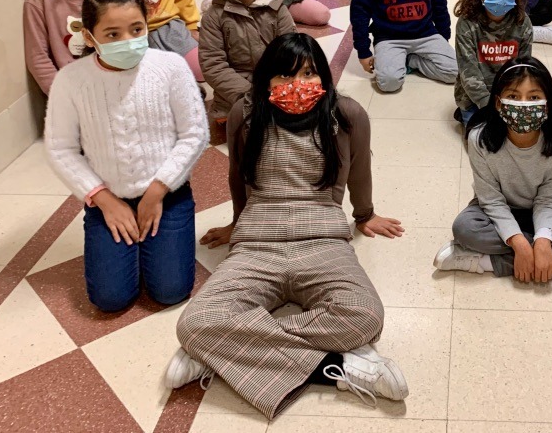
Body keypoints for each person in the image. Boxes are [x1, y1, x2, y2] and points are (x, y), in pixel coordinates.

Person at [168, 34, 408, 417]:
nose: (298, 83)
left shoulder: (346, 113)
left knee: (365, 314)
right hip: (256, 243)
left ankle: (217, 350)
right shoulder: (246, 112)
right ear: (266, 79)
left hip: (324, 242)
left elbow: (360, 167)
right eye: (285, 75)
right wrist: (235, 223)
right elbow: (237, 176)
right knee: (194, 322)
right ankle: (339, 367)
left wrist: (365, 214)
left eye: (309, 73)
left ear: (324, 76)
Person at [45, 0, 208, 312]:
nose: (128, 41)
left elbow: (195, 133)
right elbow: (61, 149)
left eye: (136, 29)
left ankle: (155, 245)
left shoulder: (170, 67)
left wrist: (157, 191)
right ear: (89, 37)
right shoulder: (70, 80)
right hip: (109, 197)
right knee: (110, 299)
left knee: (170, 291)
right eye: (112, 34)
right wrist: (104, 200)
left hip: (167, 192)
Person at [434, 57, 552, 281]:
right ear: (498, 103)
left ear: (548, 103)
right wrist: (519, 243)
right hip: (494, 210)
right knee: (465, 228)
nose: (523, 105)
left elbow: (548, 201)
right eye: (513, 96)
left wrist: (543, 240)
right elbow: (491, 201)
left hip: (540, 209)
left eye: (534, 97)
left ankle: (487, 262)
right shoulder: (480, 138)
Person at [199, 0, 295, 121]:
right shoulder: (214, 15)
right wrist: (249, 94)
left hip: (273, 83)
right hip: (234, 91)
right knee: (243, 126)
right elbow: (213, 64)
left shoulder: (277, 8)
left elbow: (290, 52)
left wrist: (273, 87)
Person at [453, 0, 534, 127]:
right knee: (483, 140)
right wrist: (489, 107)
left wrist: (513, 102)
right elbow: (469, 74)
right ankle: (465, 114)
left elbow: (523, 69)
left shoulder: (522, 22)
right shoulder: (467, 23)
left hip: (508, 97)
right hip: (474, 99)